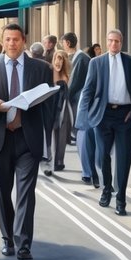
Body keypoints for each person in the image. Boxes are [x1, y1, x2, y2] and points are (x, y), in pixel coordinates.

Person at [0, 23, 52, 260]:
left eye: (16, 39)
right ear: (3, 41)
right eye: (7, 39)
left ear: (24, 41)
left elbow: (49, 103)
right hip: (0, 138)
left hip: (28, 138)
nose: (12, 44)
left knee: (26, 192)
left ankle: (24, 243)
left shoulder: (41, 69)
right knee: (3, 191)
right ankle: (7, 237)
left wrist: (48, 137)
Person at [80, 29, 131, 215]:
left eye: (117, 41)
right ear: (107, 42)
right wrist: (85, 117)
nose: (114, 44)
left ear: (121, 43)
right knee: (103, 156)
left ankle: (121, 198)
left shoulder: (130, 62)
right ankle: (107, 189)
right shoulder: (96, 62)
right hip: (103, 115)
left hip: (124, 116)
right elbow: (88, 90)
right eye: (111, 41)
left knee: (124, 158)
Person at [67, 36, 96, 186]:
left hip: (82, 104)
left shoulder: (81, 58)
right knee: (82, 138)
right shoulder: (82, 58)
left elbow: (75, 82)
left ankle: (89, 172)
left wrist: (66, 97)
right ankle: (89, 172)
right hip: (82, 104)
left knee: (83, 138)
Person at [45, 49, 74, 177]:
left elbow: (67, 96)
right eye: (57, 58)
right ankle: (49, 163)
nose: (58, 61)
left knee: (61, 137)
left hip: (62, 108)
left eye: (61, 59)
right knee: (50, 136)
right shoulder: (48, 73)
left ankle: (58, 161)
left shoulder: (66, 76)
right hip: (49, 107)